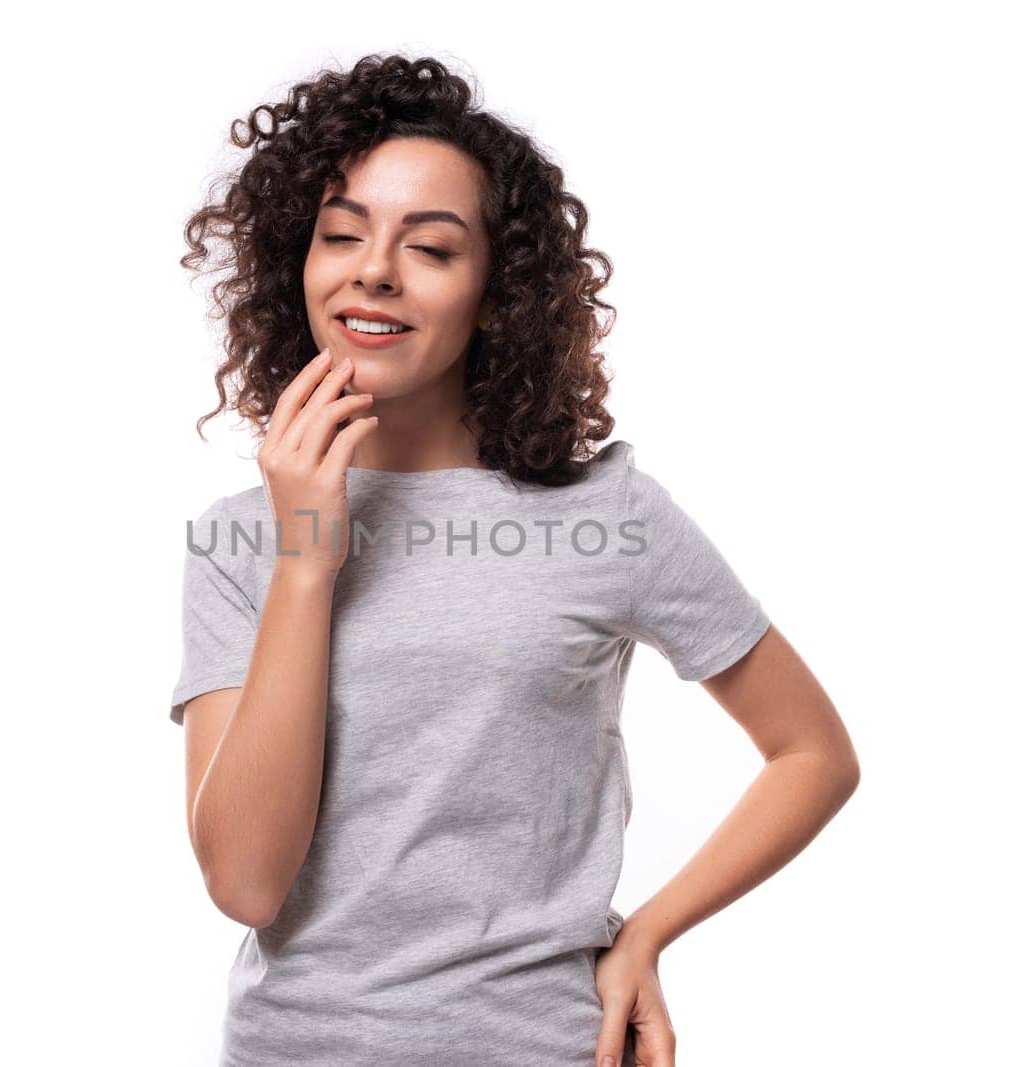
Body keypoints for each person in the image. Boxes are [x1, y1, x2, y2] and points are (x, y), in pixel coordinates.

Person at [171, 53, 859, 1067]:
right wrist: (306, 561)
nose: (373, 270)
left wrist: (647, 934)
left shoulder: (605, 512)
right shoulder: (240, 537)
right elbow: (246, 882)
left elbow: (812, 753)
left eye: (432, 247)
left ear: (495, 293)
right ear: (298, 265)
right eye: (341, 235)